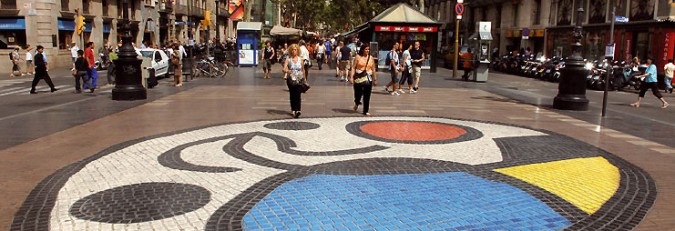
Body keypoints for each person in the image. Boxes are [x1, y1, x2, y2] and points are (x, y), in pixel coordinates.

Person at [349, 43, 378, 116]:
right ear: (362, 50)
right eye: (366, 49)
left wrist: (375, 79)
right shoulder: (358, 57)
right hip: (359, 77)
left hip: (368, 77)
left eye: (368, 49)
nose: (367, 51)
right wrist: (351, 77)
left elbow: (373, 69)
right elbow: (353, 67)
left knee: (367, 94)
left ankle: (366, 110)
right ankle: (357, 102)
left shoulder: (371, 58)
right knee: (358, 93)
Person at [283, 44, 306, 118]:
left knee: (298, 94)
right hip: (291, 80)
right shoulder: (288, 59)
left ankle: (298, 110)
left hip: (299, 79)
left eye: (295, 49)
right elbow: (284, 69)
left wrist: (304, 79)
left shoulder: (301, 59)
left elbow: (303, 69)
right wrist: (287, 70)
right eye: (292, 50)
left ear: (297, 50)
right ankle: (293, 109)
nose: (293, 51)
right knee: (292, 94)